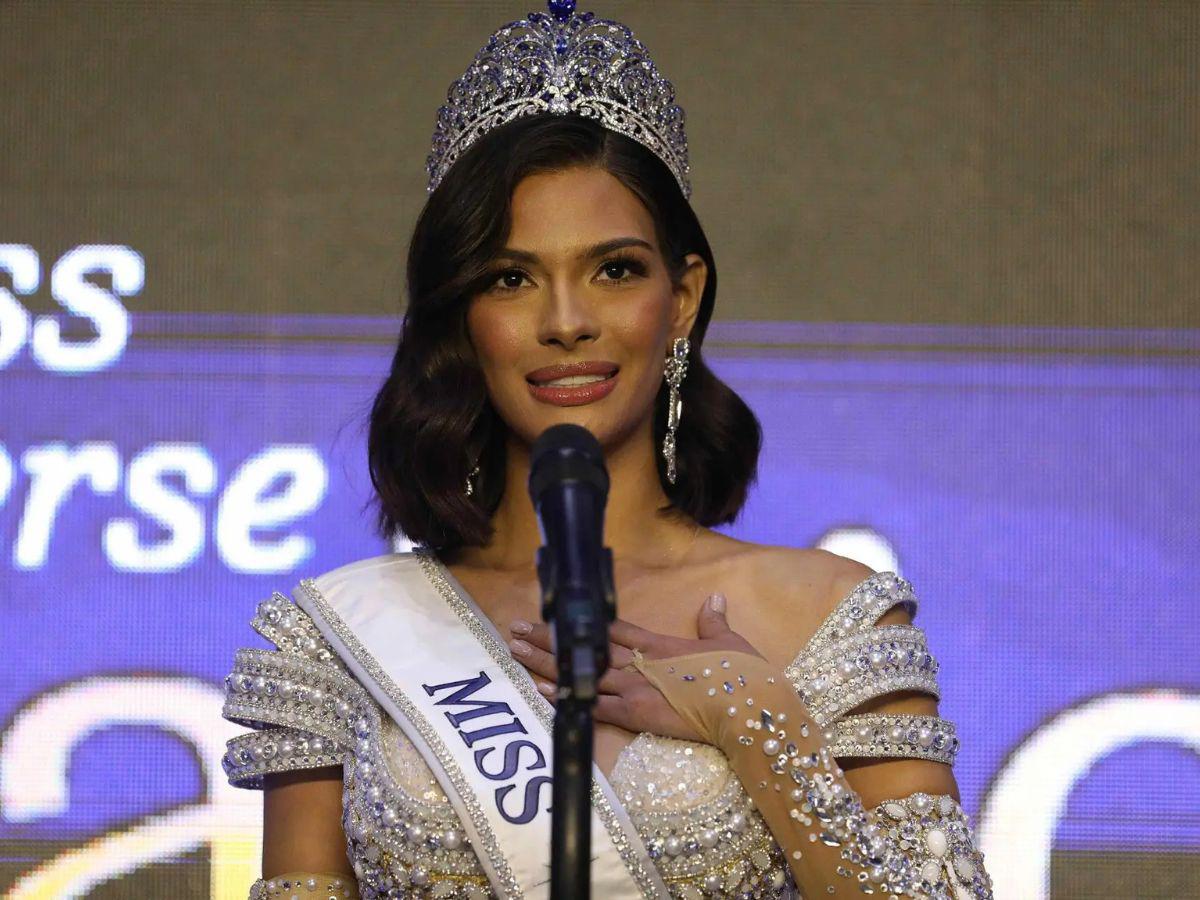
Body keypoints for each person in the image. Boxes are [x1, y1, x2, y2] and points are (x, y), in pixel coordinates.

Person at [221, 2, 993, 897]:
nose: (566, 322)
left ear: (683, 296)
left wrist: (758, 728)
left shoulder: (826, 616)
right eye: (511, 279)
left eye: (614, 269)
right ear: (461, 318)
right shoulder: (338, 638)